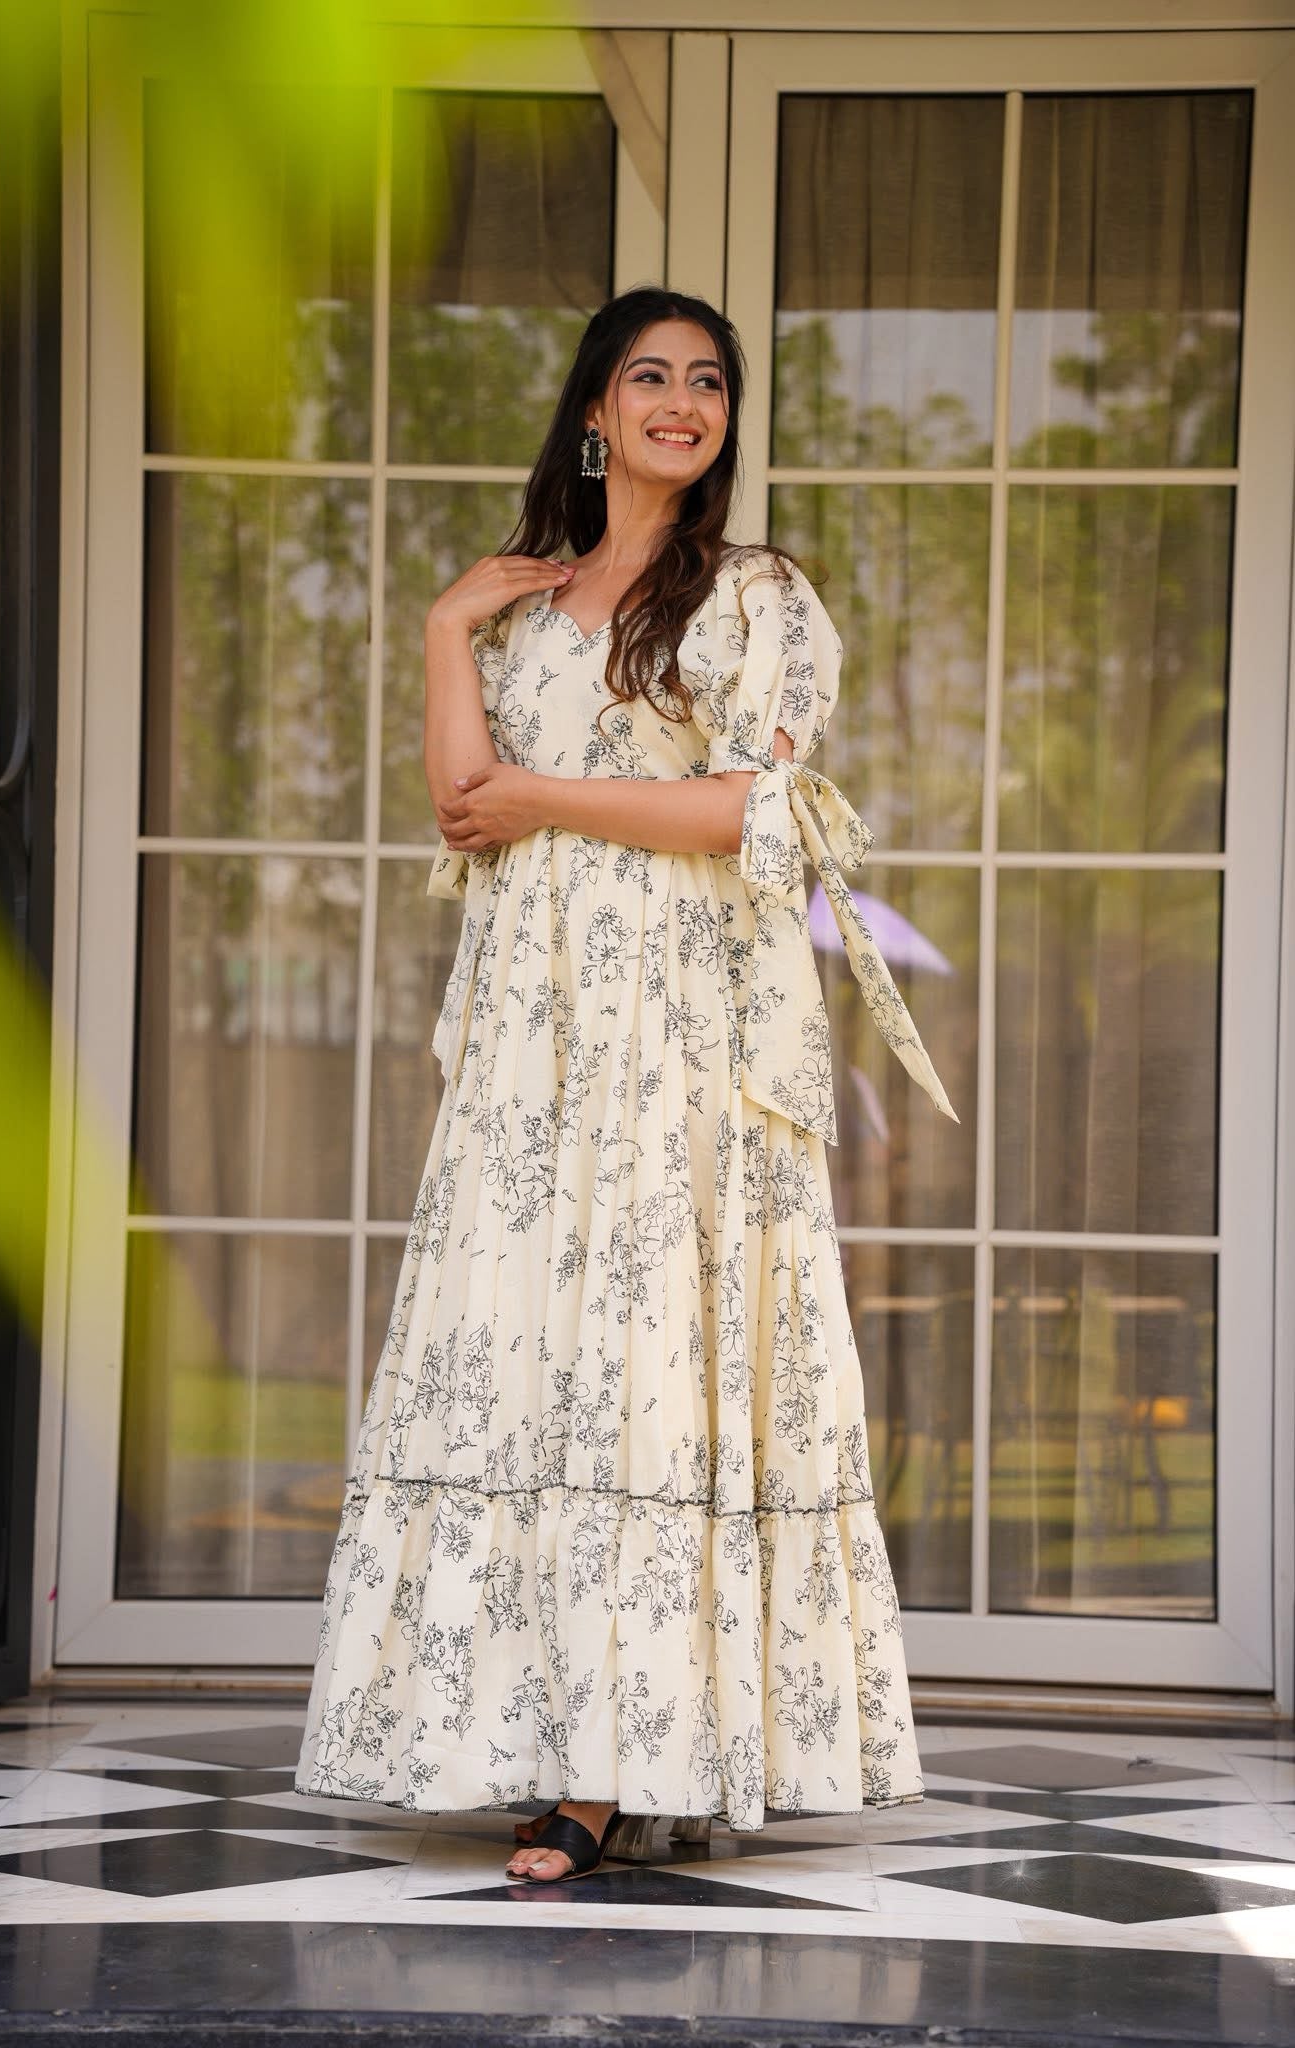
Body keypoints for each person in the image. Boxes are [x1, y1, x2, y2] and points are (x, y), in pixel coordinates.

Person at [295, 285, 958, 1887]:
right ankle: (512, 1731)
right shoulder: (514, 611)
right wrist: (446, 626)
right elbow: (465, 806)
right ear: (593, 409)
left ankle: (615, 1763)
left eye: (707, 381)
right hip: (535, 1032)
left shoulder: (755, 595)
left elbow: (752, 809)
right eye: (648, 376)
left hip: (684, 1025)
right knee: (524, 1353)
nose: (680, 399)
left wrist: (541, 795)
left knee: (651, 1355)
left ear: (723, 419)